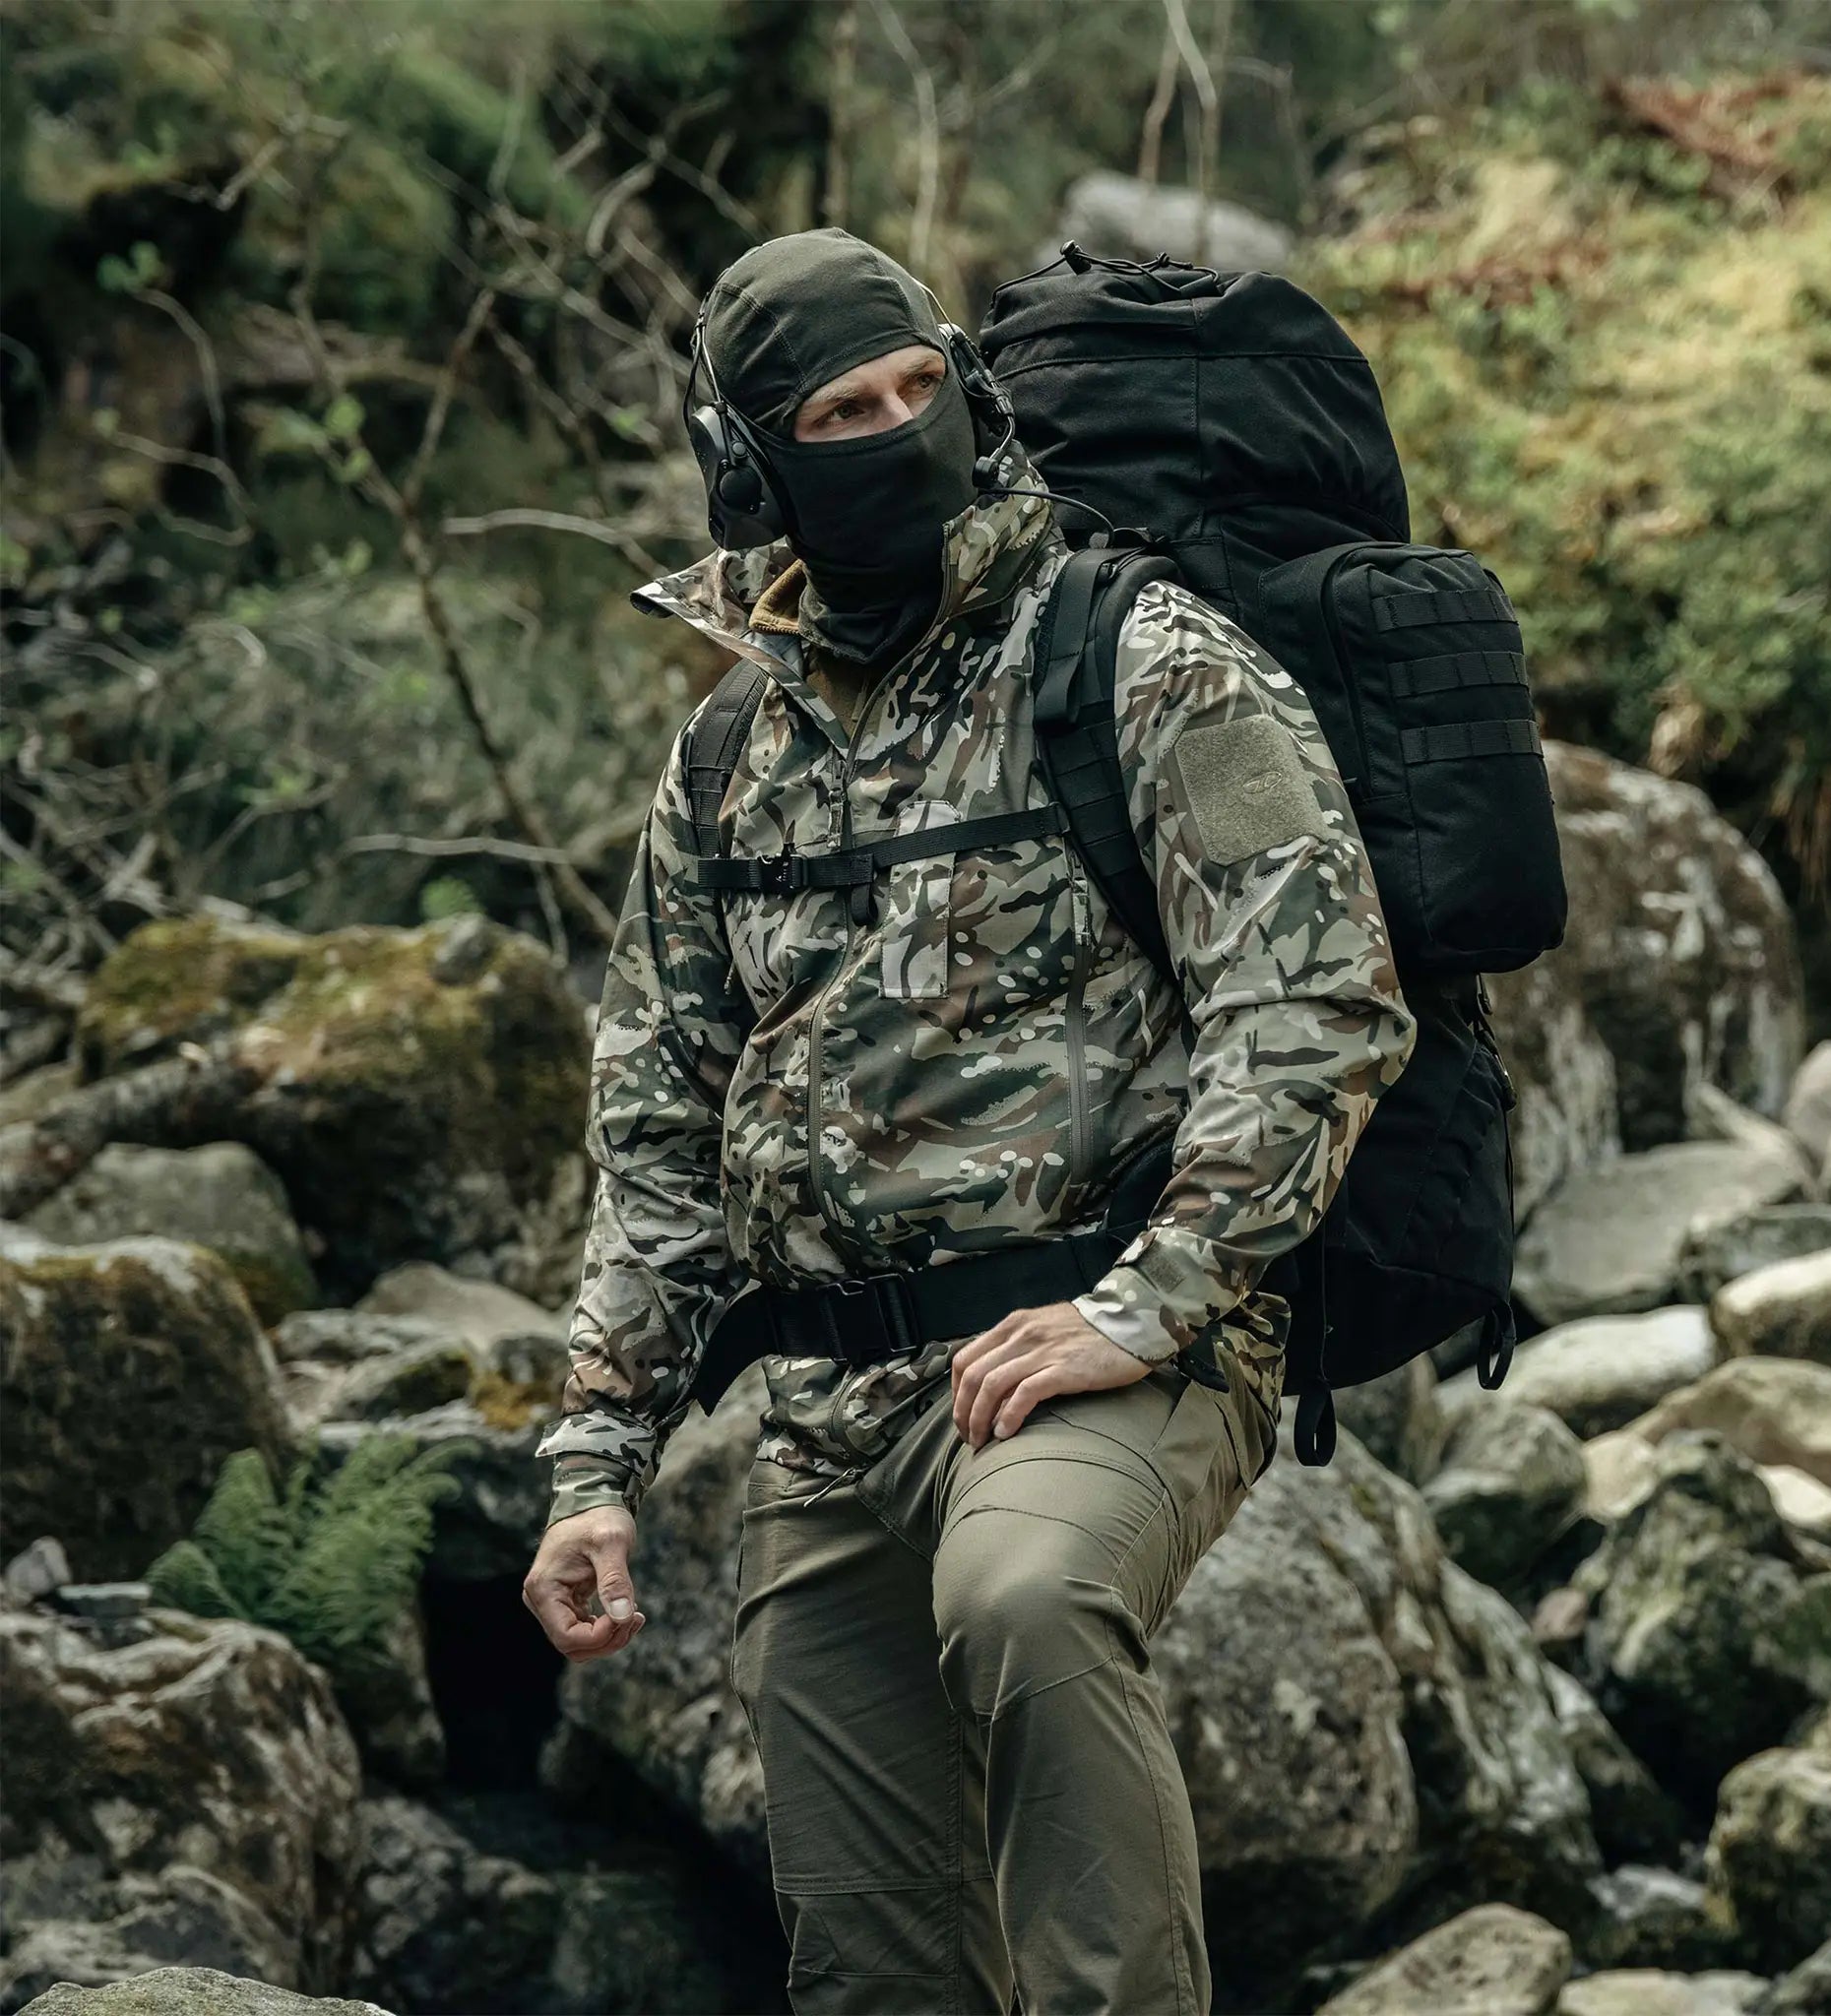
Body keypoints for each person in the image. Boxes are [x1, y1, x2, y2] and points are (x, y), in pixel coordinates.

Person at [522, 226, 1416, 2016]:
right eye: (841, 414)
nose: (897, 432)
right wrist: (595, 1467)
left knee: (1024, 1596)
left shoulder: (1137, 654)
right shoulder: (726, 760)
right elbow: (658, 1129)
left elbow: (1317, 1005)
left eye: (919, 387)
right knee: (869, 1965)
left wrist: (1145, 1305)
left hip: (1118, 1341)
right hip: (831, 1415)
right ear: (752, 467)